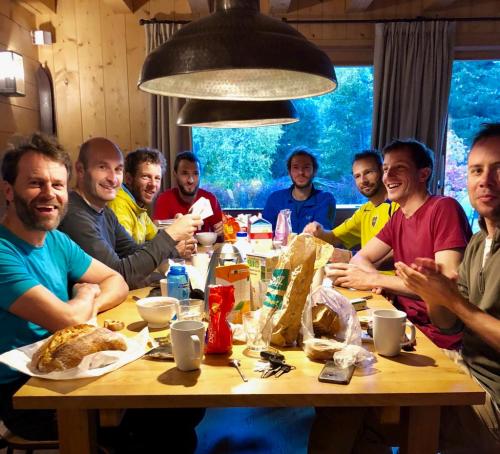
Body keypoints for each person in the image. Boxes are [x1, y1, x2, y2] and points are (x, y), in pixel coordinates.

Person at [0, 132, 128, 441]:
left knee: (178, 410)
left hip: (65, 366)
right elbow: (69, 321)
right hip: (23, 394)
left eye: (57, 185)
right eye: (35, 183)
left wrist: (89, 306)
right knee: (157, 421)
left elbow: (117, 281)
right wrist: (83, 294)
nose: (49, 194)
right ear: (8, 190)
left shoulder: (57, 240)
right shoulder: (3, 251)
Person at [396, 123, 500, 452]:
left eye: (499, 169)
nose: (485, 180)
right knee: (354, 398)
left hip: (491, 397)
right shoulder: (480, 240)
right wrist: (434, 293)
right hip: (463, 367)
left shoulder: (442, 209)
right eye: (477, 170)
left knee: (370, 411)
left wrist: (454, 302)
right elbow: (449, 324)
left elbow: (460, 311)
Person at [327, 139, 472, 350]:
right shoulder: (398, 217)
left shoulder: (443, 208)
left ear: (423, 174)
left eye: (399, 168)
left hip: (439, 338)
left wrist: (375, 279)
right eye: (386, 169)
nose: (388, 176)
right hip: (402, 323)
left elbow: (446, 287)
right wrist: (376, 282)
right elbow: (361, 258)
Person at [59, 138, 202, 290]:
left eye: (118, 169)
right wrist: (171, 235)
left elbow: (133, 251)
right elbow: (119, 275)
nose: (113, 178)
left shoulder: (105, 211)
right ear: (80, 170)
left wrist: (173, 246)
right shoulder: (74, 215)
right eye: (102, 167)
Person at [304, 150, 398, 252]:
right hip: (362, 267)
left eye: (368, 172)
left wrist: (353, 257)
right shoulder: (365, 211)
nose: (363, 181)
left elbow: (401, 251)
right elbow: (335, 238)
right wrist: (319, 233)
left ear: (382, 171)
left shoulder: (398, 207)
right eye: (357, 176)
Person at [263, 147, 336, 233]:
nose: (300, 172)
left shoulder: (326, 200)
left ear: (314, 171)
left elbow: (323, 235)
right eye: (295, 167)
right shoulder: (275, 199)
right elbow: (265, 232)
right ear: (289, 172)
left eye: (306, 167)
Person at [153, 151, 224, 236]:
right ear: (175, 174)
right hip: (175, 248)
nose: (191, 180)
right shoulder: (164, 199)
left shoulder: (210, 199)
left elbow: (220, 238)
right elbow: (156, 233)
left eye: (195, 173)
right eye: (185, 173)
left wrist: (223, 231)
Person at [108, 147, 165, 244]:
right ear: (129, 178)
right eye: (146, 177)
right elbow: (129, 253)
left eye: (157, 178)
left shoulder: (138, 205)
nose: (153, 184)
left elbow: (156, 237)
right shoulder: (119, 205)